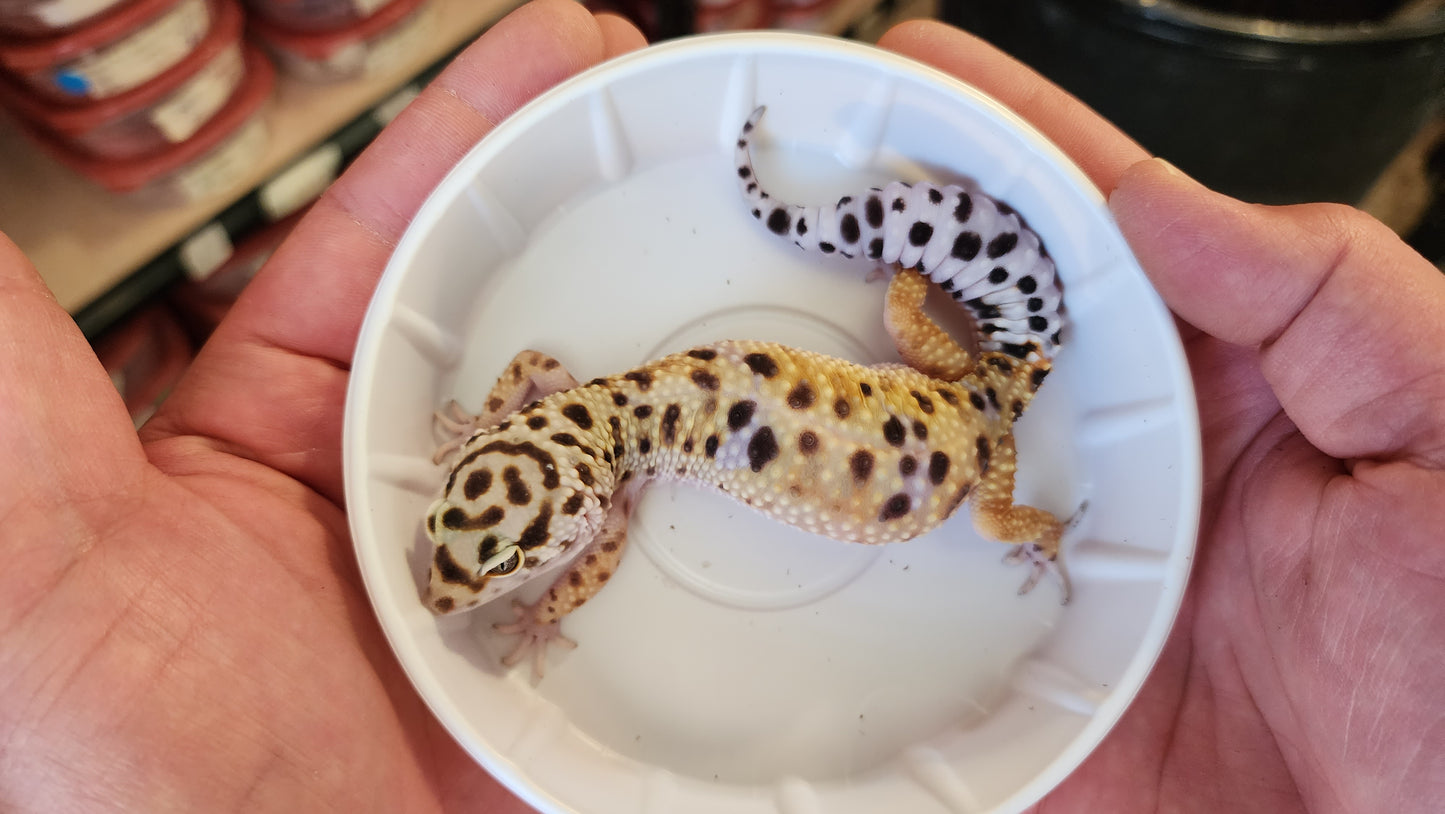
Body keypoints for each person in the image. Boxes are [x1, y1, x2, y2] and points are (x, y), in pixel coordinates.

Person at [0, 0, 1439, 810]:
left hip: (965, 451)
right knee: (899, 294)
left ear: (550, 477)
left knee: (991, 476)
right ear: (528, 455)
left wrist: (535, 611)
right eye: (492, 544)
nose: (464, 570)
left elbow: (574, 506)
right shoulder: (586, 418)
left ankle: (1015, 493)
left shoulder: (592, 467)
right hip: (940, 392)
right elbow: (533, 405)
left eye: (487, 543)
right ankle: (886, 263)